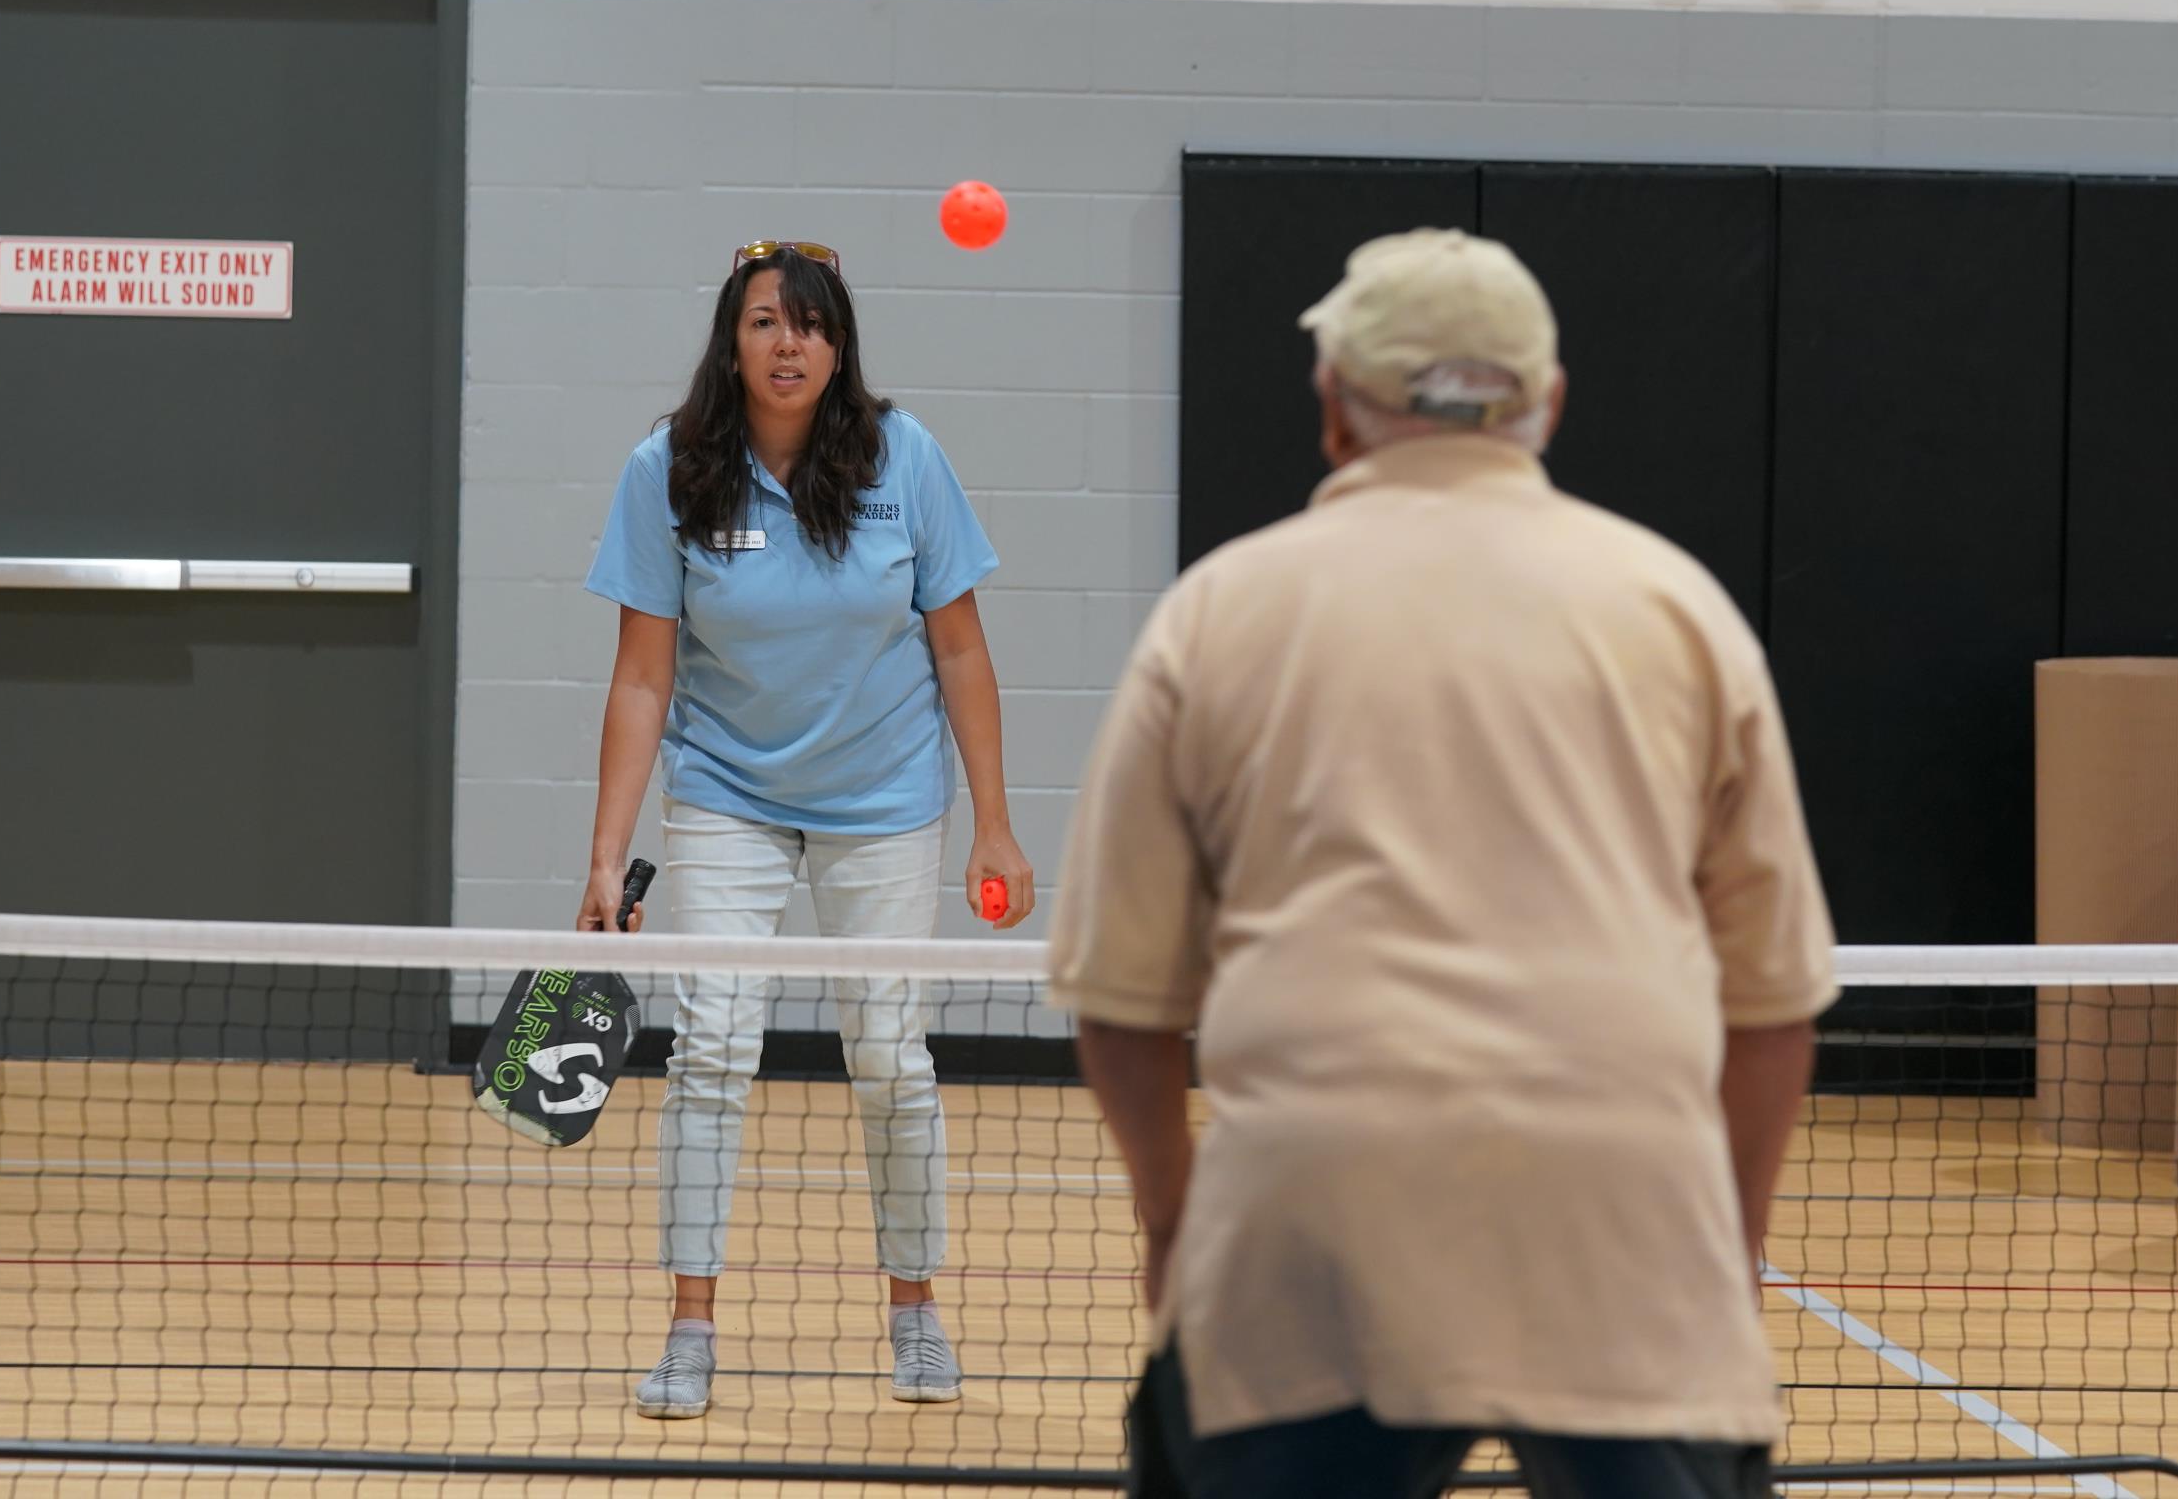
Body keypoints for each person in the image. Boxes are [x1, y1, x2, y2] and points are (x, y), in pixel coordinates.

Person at [1047, 229, 1837, 1499]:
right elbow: (1775, 1000)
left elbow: (1122, 996)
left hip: (1311, 1207)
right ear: (1550, 402)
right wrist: (1722, 1256)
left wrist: (1178, 1228)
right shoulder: (1681, 609)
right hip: (1623, 1213)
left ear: (1332, 410)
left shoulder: (1217, 611)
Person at [581, 239, 1037, 1421]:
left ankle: (916, 1309)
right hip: (729, 789)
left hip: (884, 797)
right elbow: (641, 678)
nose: (790, 344)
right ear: (731, 342)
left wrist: (996, 824)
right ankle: (689, 1326)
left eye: (813, 325)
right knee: (713, 1049)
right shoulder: (670, 469)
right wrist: (604, 855)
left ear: (840, 346)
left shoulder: (905, 457)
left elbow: (961, 647)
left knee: (890, 1057)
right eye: (768, 322)